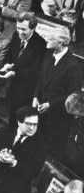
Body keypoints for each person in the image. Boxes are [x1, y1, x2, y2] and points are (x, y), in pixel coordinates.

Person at [33, 27, 83, 157]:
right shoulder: (48, 55)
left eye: (51, 39)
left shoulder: (73, 66)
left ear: (61, 42)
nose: (47, 41)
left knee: (51, 151)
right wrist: (35, 97)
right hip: (40, 110)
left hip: (57, 117)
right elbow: (40, 78)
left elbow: (72, 95)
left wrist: (51, 105)